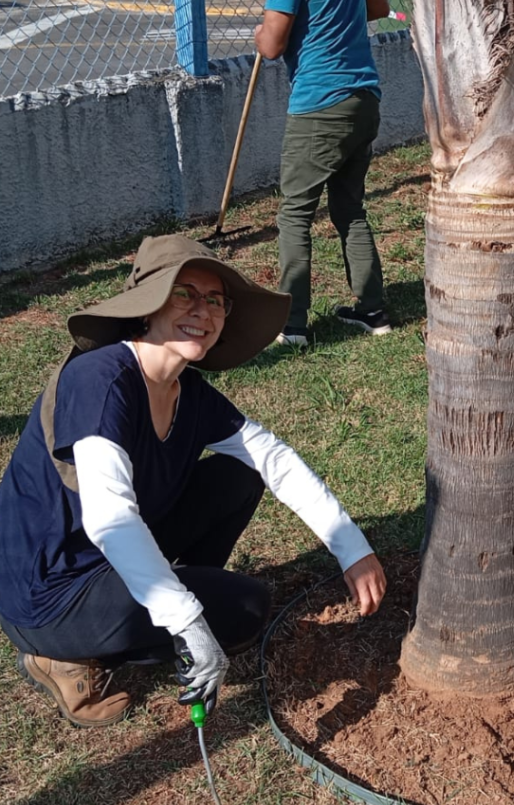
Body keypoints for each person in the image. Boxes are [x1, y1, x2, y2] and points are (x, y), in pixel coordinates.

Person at [0, 234, 387, 728]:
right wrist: (187, 619)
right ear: (148, 306)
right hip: (52, 592)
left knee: (237, 475)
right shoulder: (100, 380)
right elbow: (110, 518)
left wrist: (352, 549)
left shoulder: (188, 392)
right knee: (245, 608)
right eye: (183, 293)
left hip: (105, 559)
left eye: (216, 301)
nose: (202, 310)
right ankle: (65, 655)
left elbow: (272, 459)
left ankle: (171, 604)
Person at [255, 0, 393, 349]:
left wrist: (263, 34)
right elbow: (380, 6)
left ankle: (293, 325)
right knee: (349, 208)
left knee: (295, 213)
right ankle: (372, 310)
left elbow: (274, 45)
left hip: (319, 103)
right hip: (363, 98)